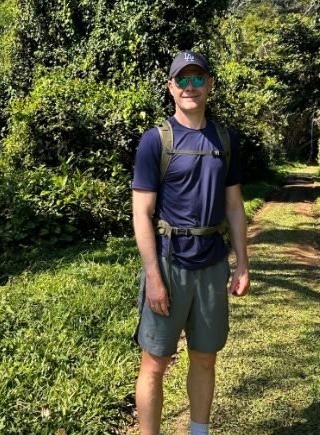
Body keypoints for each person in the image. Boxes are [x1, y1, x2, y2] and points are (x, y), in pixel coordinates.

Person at [131, 50, 250, 435]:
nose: (190, 87)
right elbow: (141, 213)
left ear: (210, 85)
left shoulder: (226, 140)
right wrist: (153, 276)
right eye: (182, 80)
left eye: (198, 79)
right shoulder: (154, 142)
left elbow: (233, 207)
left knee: (204, 358)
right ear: (171, 87)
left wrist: (243, 264)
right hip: (168, 263)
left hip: (212, 264)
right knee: (154, 362)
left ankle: (199, 431)